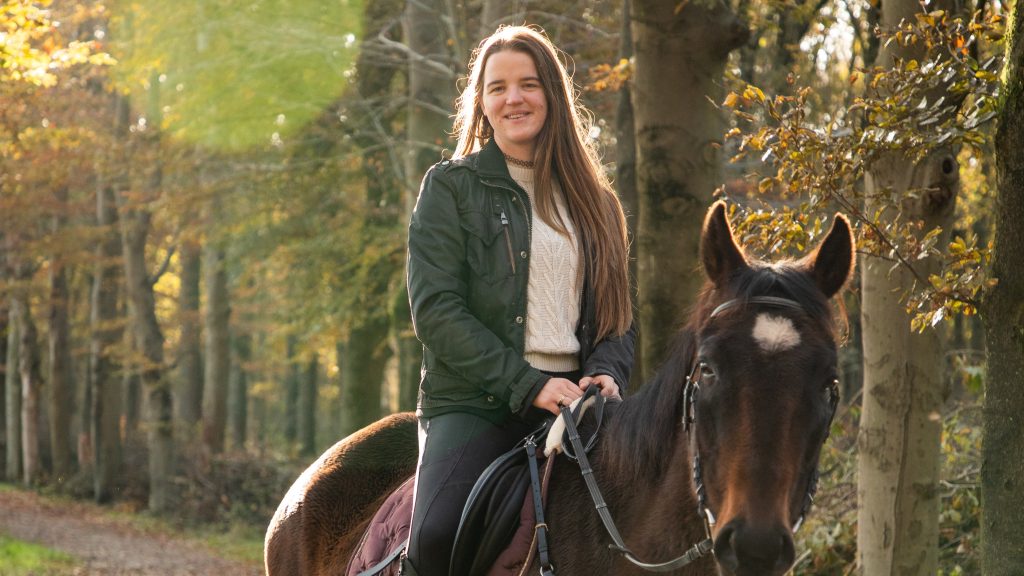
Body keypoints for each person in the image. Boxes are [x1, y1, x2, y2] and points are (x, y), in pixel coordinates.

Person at [403, 25, 636, 576]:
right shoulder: (450, 187)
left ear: (553, 95)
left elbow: (618, 316)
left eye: (529, 84)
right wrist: (530, 384)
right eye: (497, 87)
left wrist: (606, 371)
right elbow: (436, 310)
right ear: (481, 103)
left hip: (579, 407)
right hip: (474, 403)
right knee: (436, 536)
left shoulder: (597, 203)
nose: (514, 99)